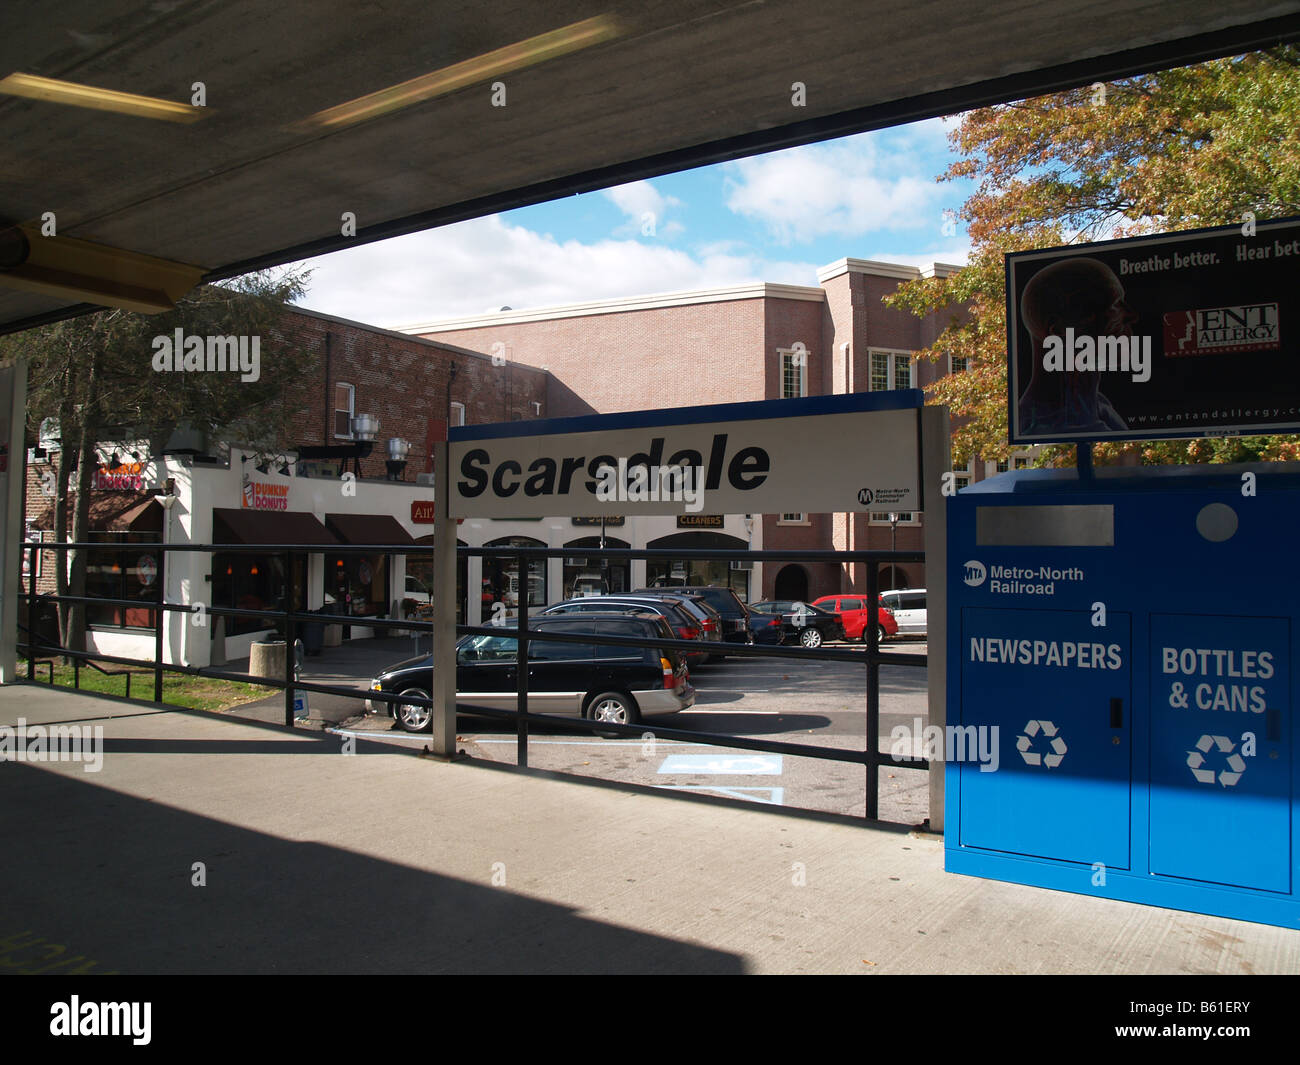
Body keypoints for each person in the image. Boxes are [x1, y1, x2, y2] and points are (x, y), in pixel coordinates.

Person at [1017, 257, 1138, 436]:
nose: (1131, 315)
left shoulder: (1098, 406)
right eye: (1113, 305)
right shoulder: (1043, 425)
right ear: (1059, 330)